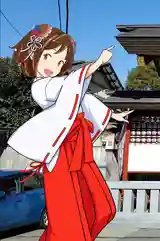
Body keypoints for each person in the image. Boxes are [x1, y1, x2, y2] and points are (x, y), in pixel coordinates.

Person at [7, 24, 118, 241]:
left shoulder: (63, 84)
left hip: (78, 150)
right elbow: (70, 88)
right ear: (34, 56)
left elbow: (82, 100)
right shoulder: (40, 87)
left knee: (102, 209)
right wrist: (95, 64)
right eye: (48, 56)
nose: (53, 65)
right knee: (69, 222)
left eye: (60, 62)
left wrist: (113, 116)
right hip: (59, 156)